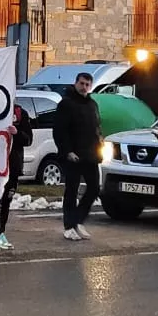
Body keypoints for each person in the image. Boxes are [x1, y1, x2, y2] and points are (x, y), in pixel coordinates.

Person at [54, 72, 103, 243]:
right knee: (72, 191)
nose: (84, 87)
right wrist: (67, 151)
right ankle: (69, 226)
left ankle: (78, 219)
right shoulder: (66, 104)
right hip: (73, 156)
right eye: (82, 83)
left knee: (94, 188)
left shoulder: (92, 104)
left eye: (88, 84)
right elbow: (60, 131)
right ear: (76, 83)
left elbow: (97, 127)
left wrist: (100, 146)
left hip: (91, 154)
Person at [0, 105, 32, 254]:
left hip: (13, 165)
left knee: (6, 201)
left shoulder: (21, 113)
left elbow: (28, 139)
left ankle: (1, 233)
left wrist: (17, 133)